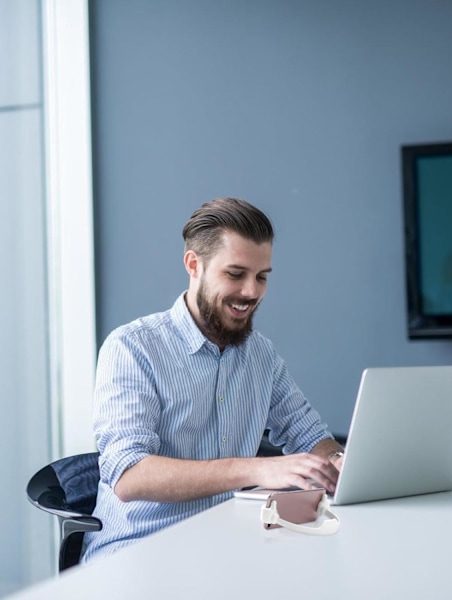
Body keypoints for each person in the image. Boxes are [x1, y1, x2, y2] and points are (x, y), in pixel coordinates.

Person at [82, 197, 345, 561]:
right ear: (194, 265)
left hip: (231, 547)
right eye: (235, 274)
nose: (252, 292)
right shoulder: (132, 348)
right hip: (141, 551)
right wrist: (257, 469)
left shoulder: (261, 355)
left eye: (262, 277)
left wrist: (338, 460)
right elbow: (130, 476)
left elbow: (310, 435)